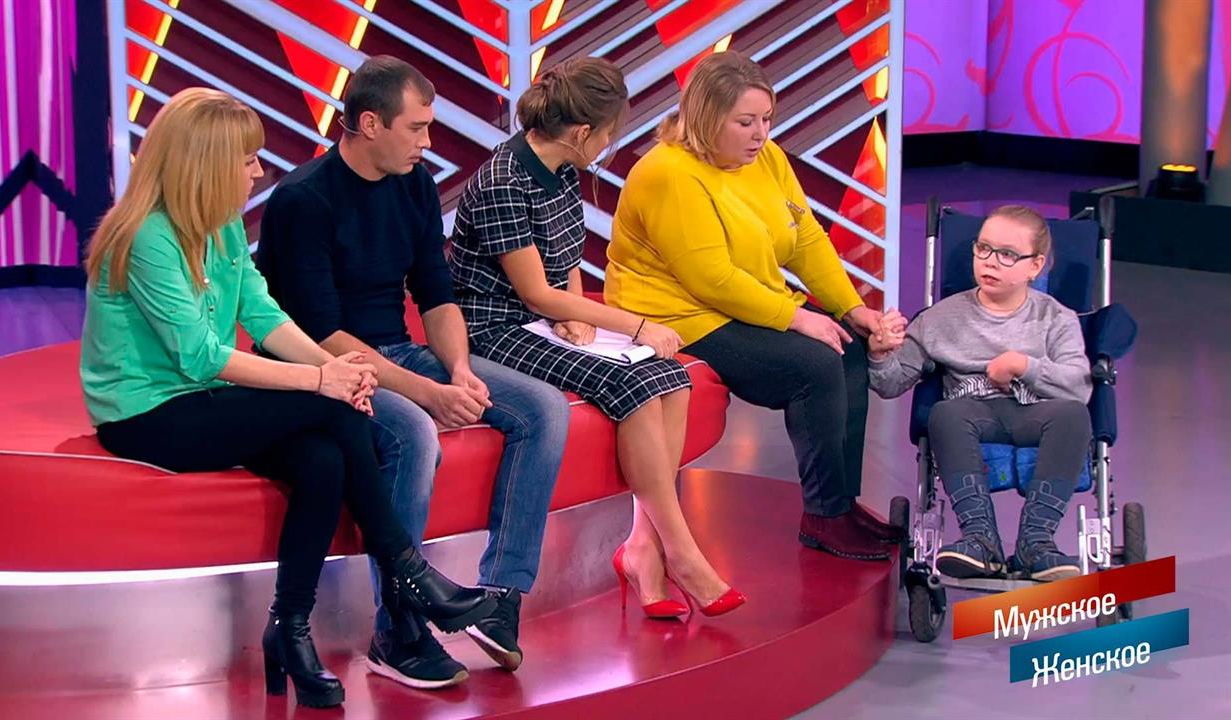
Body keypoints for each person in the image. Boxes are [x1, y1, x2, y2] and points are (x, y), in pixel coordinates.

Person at [80, 88, 494, 709]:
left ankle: (290, 630)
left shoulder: (219, 224)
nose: (257, 172)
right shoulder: (147, 237)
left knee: (322, 460)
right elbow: (201, 355)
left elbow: (264, 315)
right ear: (206, 164)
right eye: (247, 159)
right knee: (330, 410)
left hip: (204, 396)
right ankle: (409, 572)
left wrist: (336, 368)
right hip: (146, 413)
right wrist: (323, 383)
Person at [257, 56, 569, 686]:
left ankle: (500, 601)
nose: (428, 142)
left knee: (544, 409)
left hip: (397, 352)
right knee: (414, 434)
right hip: (324, 364)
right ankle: (398, 631)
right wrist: (427, 392)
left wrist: (457, 368)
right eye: (417, 127)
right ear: (370, 123)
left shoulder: (415, 185)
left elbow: (435, 293)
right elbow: (320, 333)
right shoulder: (302, 200)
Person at [449, 58, 745, 620]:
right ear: (583, 132)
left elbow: (565, 259)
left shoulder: (562, 166)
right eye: (609, 134)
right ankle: (682, 554)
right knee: (633, 384)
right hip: (494, 328)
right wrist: (632, 324)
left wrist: (578, 313)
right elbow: (534, 293)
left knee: (670, 377)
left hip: (543, 319)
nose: (611, 144)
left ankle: (643, 548)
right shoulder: (503, 181)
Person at [607, 51, 898, 562]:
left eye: (766, 119)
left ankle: (839, 505)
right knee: (814, 364)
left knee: (848, 346)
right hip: (677, 315)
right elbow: (712, 279)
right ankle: (824, 516)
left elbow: (805, 238)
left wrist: (851, 308)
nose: (760, 134)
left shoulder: (766, 158)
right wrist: (797, 317)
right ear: (706, 119)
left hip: (736, 301)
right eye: (745, 122)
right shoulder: (669, 173)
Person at [868, 205, 1091, 582]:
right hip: (972, 414)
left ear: (1035, 266)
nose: (990, 261)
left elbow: (1078, 385)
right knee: (944, 412)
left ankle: (1036, 542)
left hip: (1036, 413)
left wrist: (1022, 365)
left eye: (1007, 254)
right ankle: (980, 540)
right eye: (983, 248)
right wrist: (878, 354)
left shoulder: (1056, 318)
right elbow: (890, 383)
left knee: (1074, 416)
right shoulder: (940, 318)